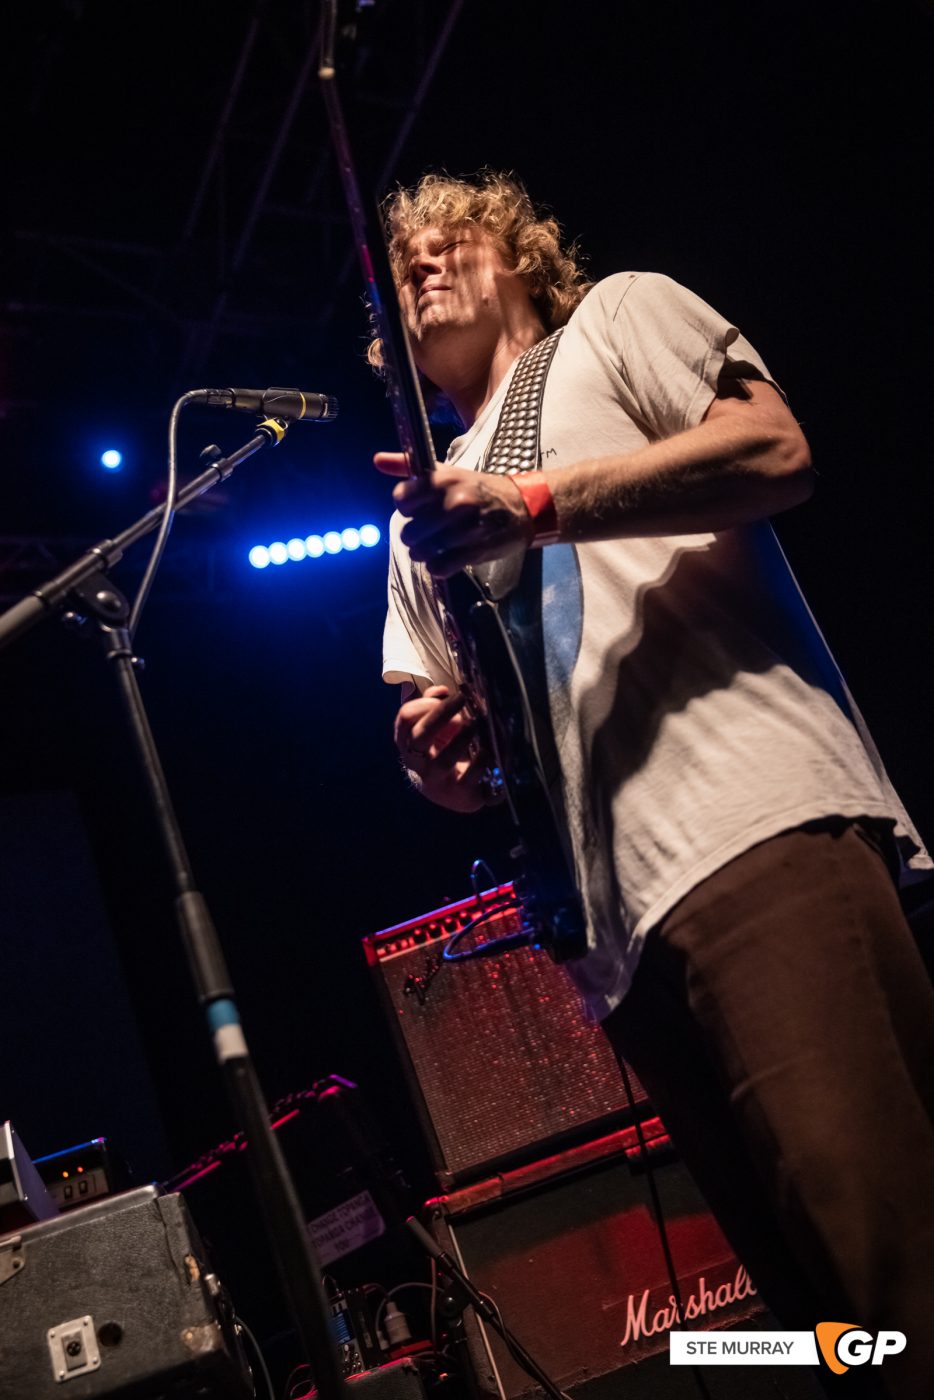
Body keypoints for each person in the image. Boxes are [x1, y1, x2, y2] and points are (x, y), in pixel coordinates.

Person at [371, 171, 934, 1398]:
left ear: (519, 254)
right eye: (395, 256)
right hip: (615, 939)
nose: (415, 262)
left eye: (444, 237)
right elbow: (455, 747)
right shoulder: (421, 509)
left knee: (892, 1275)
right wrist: (440, 764)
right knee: (817, 1323)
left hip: (749, 827)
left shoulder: (616, 319)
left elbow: (775, 449)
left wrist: (531, 501)